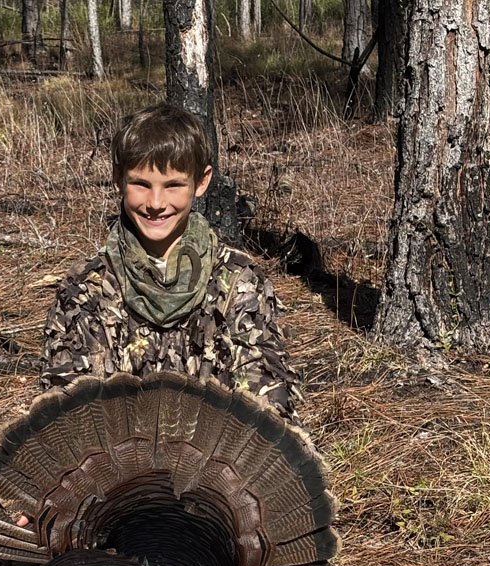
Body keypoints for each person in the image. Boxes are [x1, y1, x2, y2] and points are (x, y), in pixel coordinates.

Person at [40, 103, 302, 420]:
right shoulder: (87, 288)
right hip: (119, 467)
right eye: (140, 184)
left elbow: (265, 399)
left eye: (173, 185)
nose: (156, 203)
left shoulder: (239, 280)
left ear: (202, 182)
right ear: (117, 179)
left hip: (216, 465)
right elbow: (72, 410)